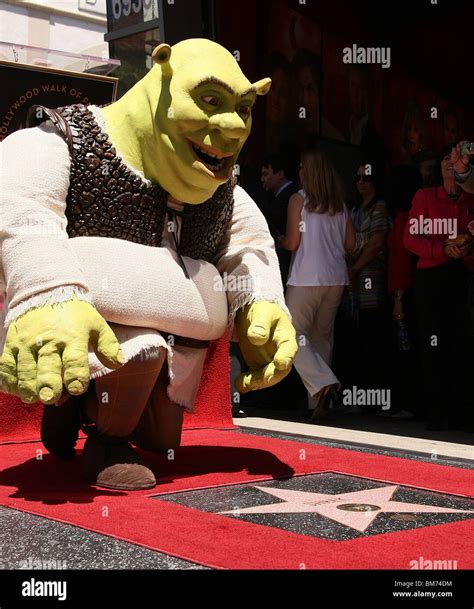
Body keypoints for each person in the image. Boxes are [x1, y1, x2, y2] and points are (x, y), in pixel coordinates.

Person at [0, 39, 297, 490]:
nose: (235, 126)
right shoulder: (63, 140)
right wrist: (49, 291)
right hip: (97, 327)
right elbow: (22, 206)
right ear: (161, 75)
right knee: (137, 352)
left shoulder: (221, 189)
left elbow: (248, 242)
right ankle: (103, 437)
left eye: (244, 108)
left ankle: (77, 410)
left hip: (178, 345)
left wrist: (259, 302)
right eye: (212, 101)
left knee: (162, 435)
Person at [403, 144, 474, 430]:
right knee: (432, 343)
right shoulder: (425, 196)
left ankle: (462, 413)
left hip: (462, 276)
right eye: (445, 157)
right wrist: (441, 250)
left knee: (462, 344)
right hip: (431, 278)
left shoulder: (471, 199)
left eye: (455, 159)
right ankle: (435, 414)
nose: (449, 163)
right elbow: (410, 239)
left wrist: (466, 250)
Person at [281, 150, 355, 418]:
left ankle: (324, 383)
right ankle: (320, 405)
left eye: (302, 167)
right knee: (322, 337)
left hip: (305, 277)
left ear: (308, 172)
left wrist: (278, 239)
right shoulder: (340, 205)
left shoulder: (298, 200)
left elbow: (292, 242)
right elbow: (351, 244)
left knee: (291, 334)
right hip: (335, 278)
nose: (299, 171)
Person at [337, 161, 390, 401]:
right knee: (355, 340)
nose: (361, 182)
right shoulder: (355, 210)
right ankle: (358, 397)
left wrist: (355, 268)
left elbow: (377, 242)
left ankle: (374, 398)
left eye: (366, 178)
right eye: (357, 178)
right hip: (353, 286)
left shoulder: (379, 208)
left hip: (372, 281)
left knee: (372, 338)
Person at [384, 165, 423, 419]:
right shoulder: (416, 215)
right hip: (416, 291)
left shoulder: (403, 218)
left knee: (405, 351)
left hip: (405, 294)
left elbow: (399, 260)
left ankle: (408, 405)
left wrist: (398, 299)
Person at [261, 154, 299, 286]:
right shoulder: (291, 194)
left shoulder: (291, 196)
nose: (262, 179)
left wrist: (283, 241)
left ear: (280, 174)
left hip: (293, 263)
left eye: (266, 174)